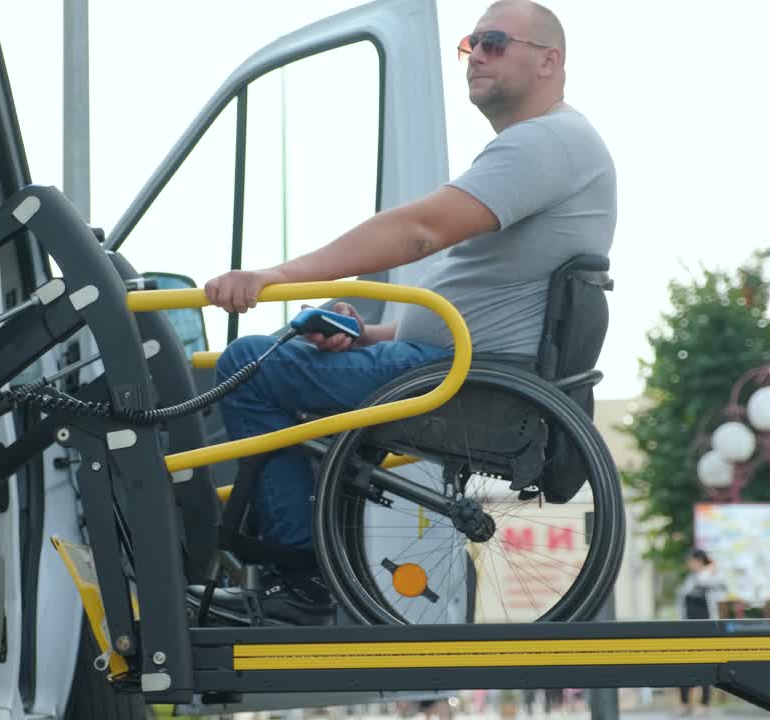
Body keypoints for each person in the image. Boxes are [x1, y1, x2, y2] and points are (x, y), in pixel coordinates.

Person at [202, 0, 617, 624]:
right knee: (279, 367)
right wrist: (372, 334)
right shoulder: (553, 145)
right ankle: (307, 554)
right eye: (471, 44)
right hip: (454, 363)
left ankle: (302, 572)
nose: (476, 55)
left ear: (549, 61)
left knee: (249, 365)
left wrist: (274, 276)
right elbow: (492, 295)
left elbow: (420, 231)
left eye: (496, 42)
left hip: (458, 380)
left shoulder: (546, 143)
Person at [675, 549, 727, 716]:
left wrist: (708, 569)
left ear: (699, 561)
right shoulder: (688, 580)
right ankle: (684, 703)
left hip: (706, 630)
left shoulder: (713, 577)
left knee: (705, 666)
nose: (690, 564)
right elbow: (682, 601)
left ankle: (704, 704)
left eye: (692, 561)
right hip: (687, 630)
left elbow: (713, 586)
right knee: (683, 665)